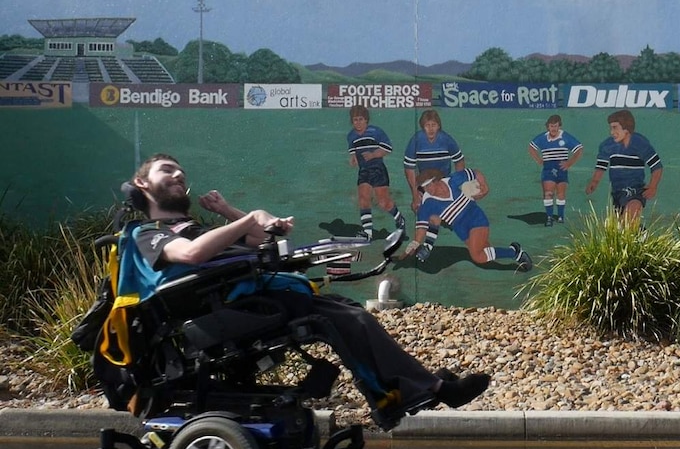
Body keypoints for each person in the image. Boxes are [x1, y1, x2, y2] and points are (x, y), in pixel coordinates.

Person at [129, 153, 491, 427]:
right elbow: (190, 254)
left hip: (256, 300)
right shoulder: (148, 233)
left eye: (181, 172)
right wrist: (252, 216)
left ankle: (401, 392)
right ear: (142, 184)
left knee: (350, 313)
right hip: (226, 311)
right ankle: (423, 392)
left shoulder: (193, 225)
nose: (178, 175)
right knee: (345, 319)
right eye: (167, 170)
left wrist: (227, 211)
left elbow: (259, 239)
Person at [404, 167, 533, 272]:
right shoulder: (427, 204)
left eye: (429, 185)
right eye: (424, 187)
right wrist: (416, 243)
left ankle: (515, 253)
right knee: (485, 251)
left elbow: (475, 172)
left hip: (475, 218)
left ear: (436, 180)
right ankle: (513, 250)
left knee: (477, 256)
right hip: (460, 228)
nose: (428, 190)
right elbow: (422, 227)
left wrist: (484, 185)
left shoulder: (453, 181)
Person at [585, 110, 663, 224]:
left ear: (626, 128)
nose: (612, 132)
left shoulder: (640, 143)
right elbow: (601, 166)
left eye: (615, 128)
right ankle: (641, 235)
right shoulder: (607, 145)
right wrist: (594, 181)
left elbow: (657, 166)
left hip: (635, 191)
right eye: (611, 128)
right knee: (623, 227)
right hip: (617, 193)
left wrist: (653, 186)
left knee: (629, 218)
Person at [346, 105, 405, 240]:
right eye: (355, 120)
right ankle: (368, 232)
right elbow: (353, 151)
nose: (358, 122)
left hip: (378, 170)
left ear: (366, 120)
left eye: (361, 119)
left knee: (383, 202)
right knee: (363, 198)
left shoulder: (376, 132)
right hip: (364, 171)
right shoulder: (351, 136)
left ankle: (400, 219)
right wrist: (353, 159)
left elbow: (387, 148)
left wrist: (373, 155)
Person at [403, 109, 465, 212]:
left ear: (439, 126)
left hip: (443, 180)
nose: (431, 129)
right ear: (423, 127)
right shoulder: (416, 140)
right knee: (417, 207)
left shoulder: (446, 139)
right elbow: (409, 169)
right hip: (424, 181)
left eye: (434, 125)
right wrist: (414, 194)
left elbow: (459, 161)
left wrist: (457, 183)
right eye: (427, 125)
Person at [528, 114, 583, 227]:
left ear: (559, 126)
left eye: (555, 126)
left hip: (561, 168)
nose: (553, 128)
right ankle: (549, 217)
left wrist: (569, 163)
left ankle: (560, 216)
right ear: (548, 127)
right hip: (548, 168)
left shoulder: (565, 137)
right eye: (551, 126)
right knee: (548, 193)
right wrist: (538, 160)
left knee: (561, 193)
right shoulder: (543, 138)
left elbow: (579, 149)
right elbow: (531, 147)